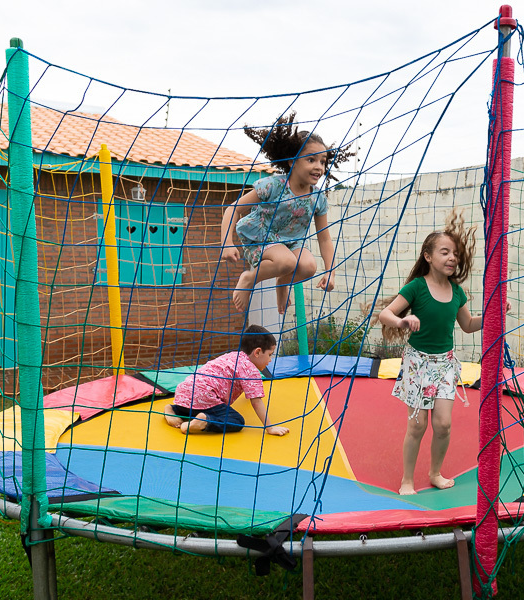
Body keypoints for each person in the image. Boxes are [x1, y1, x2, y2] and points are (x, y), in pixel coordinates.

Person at [378, 212, 481, 495]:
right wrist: (402, 321)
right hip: (417, 363)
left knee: (444, 425)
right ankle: (407, 480)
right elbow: (385, 313)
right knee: (417, 425)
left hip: (445, 364)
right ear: (428, 256)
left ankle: (435, 472)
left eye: (455, 254)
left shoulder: (457, 291)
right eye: (444, 252)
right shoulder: (417, 287)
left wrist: (494, 314)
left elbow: (469, 325)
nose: (452, 258)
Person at [221, 112, 353, 314]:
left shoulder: (318, 198)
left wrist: (331, 272)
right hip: (262, 236)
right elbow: (233, 209)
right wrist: (227, 243)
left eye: (323, 161)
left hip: (292, 242)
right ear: (292, 161)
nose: (318, 166)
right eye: (311, 160)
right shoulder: (273, 185)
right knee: (286, 261)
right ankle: (249, 278)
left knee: (309, 266)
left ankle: (282, 283)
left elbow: (324, 239)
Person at [164, 325, 289, 436]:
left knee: (194, 405)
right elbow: (256, 402)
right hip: (205, 395)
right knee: (236, 421)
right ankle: (203, 422)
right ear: (257, 352)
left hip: (185, 392)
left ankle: (173, 409)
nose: (270, 360)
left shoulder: (233, 355)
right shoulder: (251, 370)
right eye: (270, 354)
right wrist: (270, 428)